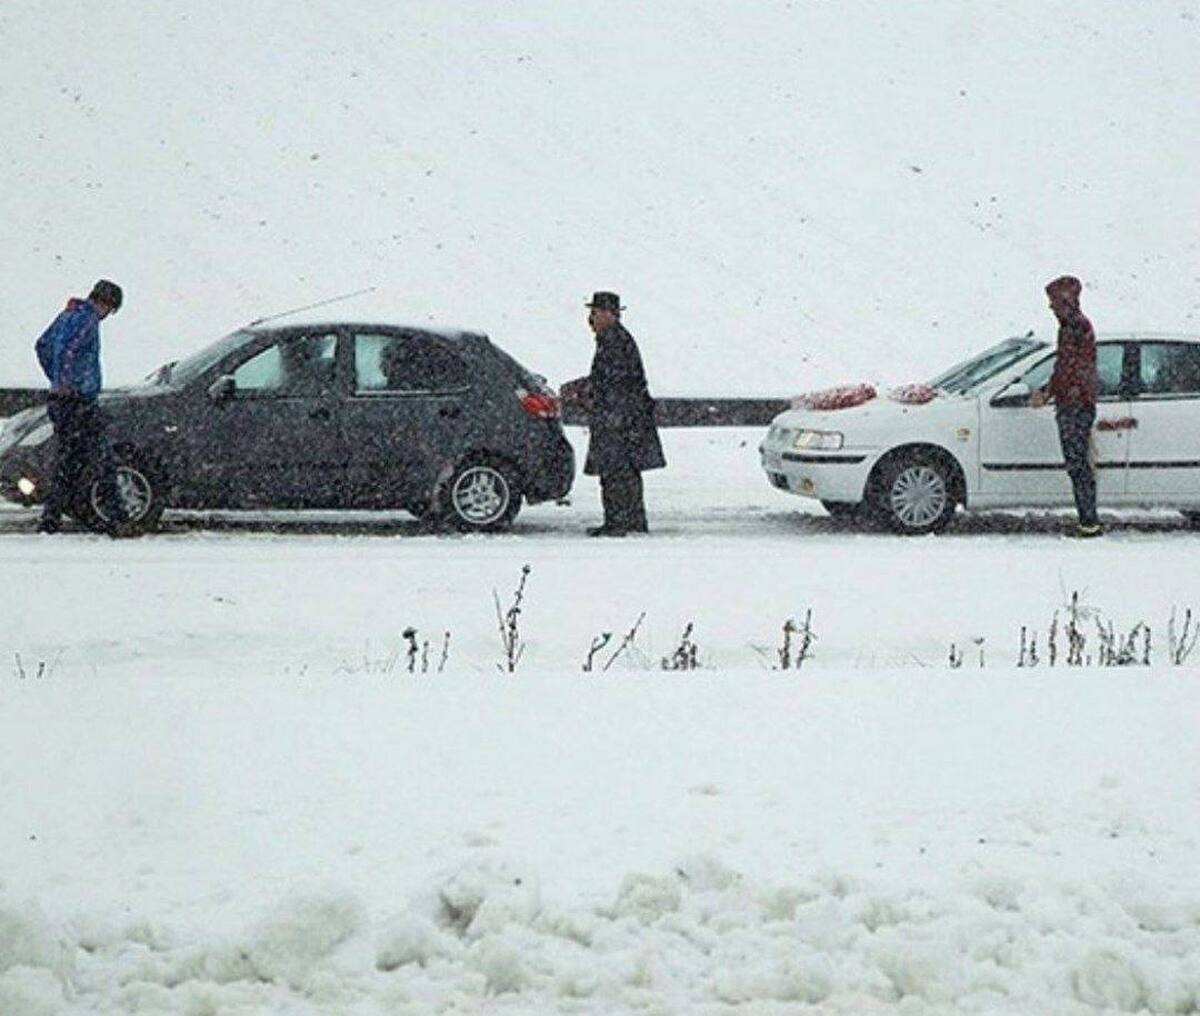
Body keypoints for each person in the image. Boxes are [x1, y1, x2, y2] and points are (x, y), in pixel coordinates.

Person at [34, 279, 128, 535]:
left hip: (63, 403)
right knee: (103, 458)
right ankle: (118, 516)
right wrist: (66, 382)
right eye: (110, 310)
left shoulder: (68, 315)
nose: (108, 316)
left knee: (67, 462)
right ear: (106, 303)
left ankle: (50, 519)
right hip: (78, 402)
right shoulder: (86, 320)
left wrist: (54, 378)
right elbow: (68, 351)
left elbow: (42, 345)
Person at [574, 291, 665, 536]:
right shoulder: (613, 339)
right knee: (624, 472)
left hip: (620, 420)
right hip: (625, 419)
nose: (590, 319)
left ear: (610, 314)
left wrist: (593, 395)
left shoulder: (614, 341)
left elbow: (616, 382)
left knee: (615, 472)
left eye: (595, 313)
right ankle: (631, 521)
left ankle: (618, 523)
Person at [1030, 274, 1101, 537]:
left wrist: (1048, 393)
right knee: (1079, 464)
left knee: (1077, 464)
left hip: (1074, 405)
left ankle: (1089, 521)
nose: (1050, 307)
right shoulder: (1077, 326)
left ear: (1065, 301)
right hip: (1079, 402)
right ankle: (1088, 520)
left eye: (1053, 301)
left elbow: (1067, 369)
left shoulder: (1072, 327)